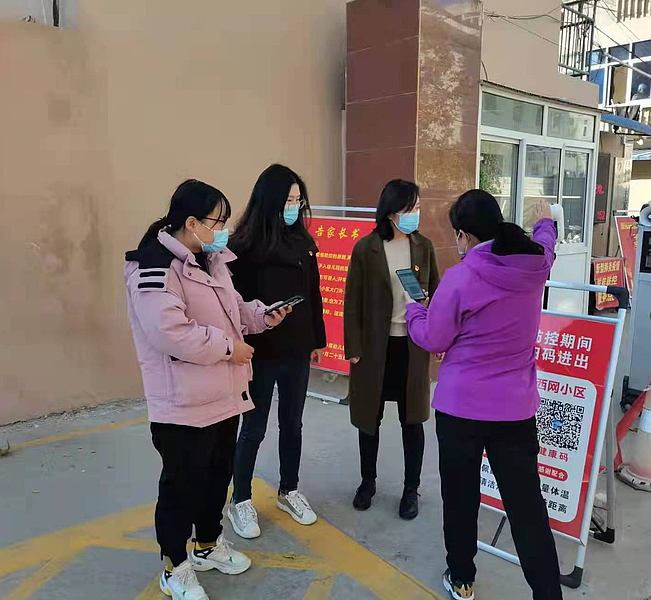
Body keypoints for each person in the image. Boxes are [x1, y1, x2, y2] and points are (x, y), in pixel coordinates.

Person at [124, 179, 290, 600]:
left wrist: (261, 317)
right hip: (182, 403)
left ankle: (207, 545)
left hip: (222, 397)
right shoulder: (154, 267)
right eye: (217, 222)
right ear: (191, 222)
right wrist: (230, 348)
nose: (224, 230)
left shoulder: (210, 260)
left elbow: (229, 312)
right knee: (181, 487)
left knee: (216, 478)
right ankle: (174, 567)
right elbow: (170, 333)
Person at [406, 190, 561, 600]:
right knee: (527, 508)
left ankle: (461, 579)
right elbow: (546, 244)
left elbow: (433, 338)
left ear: (464, 236)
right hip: (515, 411)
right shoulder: (535, 266)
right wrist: (545, 221)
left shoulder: (461, 278)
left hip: (460, 409)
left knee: (460, 498)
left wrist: (414, 310)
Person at [226, 164, 326, 538]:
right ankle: (240, 499)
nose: (294, 208)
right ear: (269, 201)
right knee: (253, 428)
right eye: (287, 201)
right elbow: (232, 305)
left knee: (292, 424)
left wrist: (317, 341)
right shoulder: (242, 248)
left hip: (297, 349)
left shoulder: (303, 242)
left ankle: (289, 490)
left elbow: (313, 294)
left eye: (298, 201)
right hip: (261, 351)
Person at [344, 179, 439, 520]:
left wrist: (436, 330)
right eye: (409, 209)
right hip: (374, 347)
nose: (415, 214)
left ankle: (411, 489)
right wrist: (353, 347)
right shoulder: (366, 249)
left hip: (412, 346)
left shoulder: (423, 247)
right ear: (391, 212)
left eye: (418, 208)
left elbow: (437, 293)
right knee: (369, 420)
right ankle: (367, 483)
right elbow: (352, 300)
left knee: (412, 421)